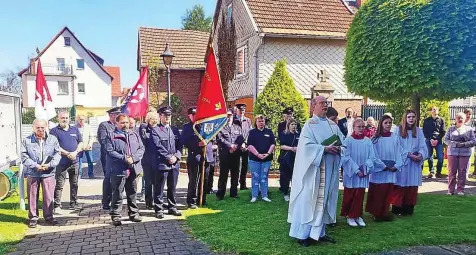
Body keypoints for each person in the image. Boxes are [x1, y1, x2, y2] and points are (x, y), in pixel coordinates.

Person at [288, 96, 343, 246]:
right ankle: (303, 235)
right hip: (314, 172)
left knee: (324, 201)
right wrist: (324, 149)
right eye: (322, 103)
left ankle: (319, 233)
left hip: (330, 168)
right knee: (309, 202)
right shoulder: (309, 125)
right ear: (313, 106)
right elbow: (306, 148)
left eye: (326, 103)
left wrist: (339, 148)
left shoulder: (333, 125)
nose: (325, 106)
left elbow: (343, 142)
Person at [340, 118, 382, 227]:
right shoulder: (348, 140)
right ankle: (350, 216)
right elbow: (345, 157)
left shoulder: (367, 141)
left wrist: (365, 168)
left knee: (360, 194)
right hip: (352, 174)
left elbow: (372, 156)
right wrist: (356, 170)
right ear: (353, 127)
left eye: (363, 126)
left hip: (363, 172)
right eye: (359, 126)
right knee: (350, 194)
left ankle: (357, 215)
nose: (361, 128)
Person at [105, 114, 145, 226]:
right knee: (117, 193)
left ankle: (133, 214)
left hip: (133, 168)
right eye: (122, 122)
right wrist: (124, 158)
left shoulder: (134, 134)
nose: (125, 124)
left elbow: (141, 148)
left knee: (132, 192)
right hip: (118, 169)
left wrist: (133, 158)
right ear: (116, 123)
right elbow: (110, 151)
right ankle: (116, 216)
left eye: (126, 122)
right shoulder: (111, 136)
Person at [21, 119, 61, 228]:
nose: (40, 130)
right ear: (33, 128)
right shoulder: (27, 140)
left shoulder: (53, 139)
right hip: (33, 172)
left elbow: (57, 154)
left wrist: (50, 165)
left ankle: (49, 217)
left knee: (48, 196)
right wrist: (35, 165)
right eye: (38, 127)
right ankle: (33, 217)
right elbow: (24, 156)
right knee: (32, 195)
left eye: (42, 127)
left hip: (48, 172)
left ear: (46, 127)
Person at [391, 110, 428, 216]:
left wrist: (420, 155)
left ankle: (408, 209)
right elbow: (396, 145)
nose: (411, 119)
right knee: (400, 185)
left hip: (414, 163)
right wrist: (409, 154)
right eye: (409, 117)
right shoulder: (398, 130)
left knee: (411, 186)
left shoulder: (418, 131)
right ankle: (397, 209)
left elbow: (423, 145)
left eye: (413, 117)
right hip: (403, 161)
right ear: (405, 118)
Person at [366, 114, 402, 222]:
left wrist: (397, 165)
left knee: (387, 191)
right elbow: (373, 155)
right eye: (386, 123)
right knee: (378, 192)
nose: (388, 125)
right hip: (379, 169)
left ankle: (385, 212)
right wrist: (382, 166)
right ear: (381, 124)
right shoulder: (375, 139)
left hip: (391, 169)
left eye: (390, 123)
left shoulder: (395, 138)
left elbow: (399, 153)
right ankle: (376, 212)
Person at [151, 106, 182, 218]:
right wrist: (169, 157)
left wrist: (177, 156)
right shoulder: (155, 130)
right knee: (159, 188)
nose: (167, 117)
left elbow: (180, 145)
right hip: (162, 164)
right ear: (160, 116)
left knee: (172, 187)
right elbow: (157, 146)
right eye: (165, 115)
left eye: (169, 115)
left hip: (174, 164)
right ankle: (159, 209)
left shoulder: (174, 130)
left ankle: (172, 207)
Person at [49, 111, 83, 212]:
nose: (65, 119)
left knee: (74, 183)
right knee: (59, 184)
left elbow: (80, 142)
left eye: (67, 118)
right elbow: (55, 146)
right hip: (61, 163)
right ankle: (57, 205)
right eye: (62, 118)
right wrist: (68, 153)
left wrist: (76, 152)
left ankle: (73, 203)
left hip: (74, 161)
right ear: (58, 119)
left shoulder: (74, 129)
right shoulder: (54, 131)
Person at [181, 106, 208, 208]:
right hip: (194, 156)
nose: (195, 115)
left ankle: (202, 199)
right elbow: (184, 141)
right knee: (193, 180)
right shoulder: (187, 127)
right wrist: (197, 144)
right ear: (189, 115)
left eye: (196, 113)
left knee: (204, 179)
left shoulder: (204, 125)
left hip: (205, 156)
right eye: (193, 114)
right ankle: (191, 201)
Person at [444, 112, 476, 196]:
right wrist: (455, 144)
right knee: (452, 172)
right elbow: (446, 140)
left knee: (462, 172)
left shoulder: (469, 129)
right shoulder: (450, 129)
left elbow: (473, 141)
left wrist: (464, 144)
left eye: (462, 118)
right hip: (452, 153)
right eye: (458, 117)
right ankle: (450, 190)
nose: (460, 119)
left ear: (465, 119)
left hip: (465, 153)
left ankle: (460, 190)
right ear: (455, 118)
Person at [216, 108, 245, 200]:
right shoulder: (220, 126)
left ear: (233, 116)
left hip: (235, 154)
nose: (228, 117)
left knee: (235, 174)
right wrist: (230, 146)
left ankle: (234, 193)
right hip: (225, 155)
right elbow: (220, 139)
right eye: (227, 115)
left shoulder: (237, 127)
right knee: (223, 175)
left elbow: (240, 138)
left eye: (230, 115)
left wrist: (235, 146)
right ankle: (220, 194)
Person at [247, 115, 276, 203]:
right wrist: (258, 154)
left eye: (262, 121)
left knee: (264, 177)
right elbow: (249, 145)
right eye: (259, 121)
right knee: (255, 177)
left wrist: (268, 153)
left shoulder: (269, 131)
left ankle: (264, 195)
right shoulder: (252, 132)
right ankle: (254, 196)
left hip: (266, 159)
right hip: (254, 159)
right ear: (256, 122)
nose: (261, 123)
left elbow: (273, 144)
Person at [97, 106, 121, 210]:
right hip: (108, 157)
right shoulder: (104, 125)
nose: (118, 116)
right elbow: (103, 141)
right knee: (108, 179)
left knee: (118, 178)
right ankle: (106, 201)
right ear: (111, 115)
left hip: (119, 157)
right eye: (116, 115)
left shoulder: (120, 125)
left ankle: (116, 200)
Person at [138, 112, 159, 209]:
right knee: (148, 182)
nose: (154, 121)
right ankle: (148, 202)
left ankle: (157, 201)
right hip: (147, 160)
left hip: (157, 160)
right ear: (148, 120)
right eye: (152, 119)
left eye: (155, 119)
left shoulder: (159, 129)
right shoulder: (144, 128)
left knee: (157, 182)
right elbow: (143, 140)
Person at [278, 118, 299, 202]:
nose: (294, 126)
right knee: (286, 176)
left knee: (295, 176)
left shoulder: (298, 135)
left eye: (295, 124)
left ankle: (294, 193)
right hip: (286, 158)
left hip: (295, 158)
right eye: (292, 124)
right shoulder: (284, 134)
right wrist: (291, 148)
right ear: (288, 125)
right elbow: (282, 146)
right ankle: (286, 193)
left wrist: (297, 148)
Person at [422, 106, 446, 178]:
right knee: (429, 157)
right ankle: (431, 172)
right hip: (429, 140)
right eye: (433, 110)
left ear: (438, 111)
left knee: (440, 157)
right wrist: (430, 139)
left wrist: (437, 139)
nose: (435, 111)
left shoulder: (441, 120)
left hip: (438, 141)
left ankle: (438, 172)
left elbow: (443, 131)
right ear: (431, 111)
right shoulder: (426, 120)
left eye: (436, 110)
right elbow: (424, 131)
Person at [235, 103, 252, 190]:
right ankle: (235, 184)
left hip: (245, 147)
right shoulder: (233, 120)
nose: (242, 111)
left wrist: (245, 143)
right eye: (240, 110)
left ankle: (243, 184)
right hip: (236, 147)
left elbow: (249, 133)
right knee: (236, 166)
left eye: (243, 110)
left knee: (245, 166)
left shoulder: (248, 120)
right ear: (236, 110)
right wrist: (239, 144)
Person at [76, 114, 95, 179]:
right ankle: (79, 175)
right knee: (79, 161)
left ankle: (91, 174)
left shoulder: (88, 126)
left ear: (85, 120)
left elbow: (91, 136)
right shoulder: (74, 127)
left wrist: (90, 144)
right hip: (79, 147)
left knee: (90, 161)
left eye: (82, 119)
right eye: (80, 119)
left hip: (87, 146)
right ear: (77, 119)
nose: (81, 121)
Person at [463, 108, 476, 178]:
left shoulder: (474, 123)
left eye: (470, 114)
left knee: (468, 160)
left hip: (470, 144)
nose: (468, 115)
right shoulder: (460, 121)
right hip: (461, 144)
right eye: (467, 113)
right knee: (461, 160)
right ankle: (459, 174)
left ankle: (466, 175)